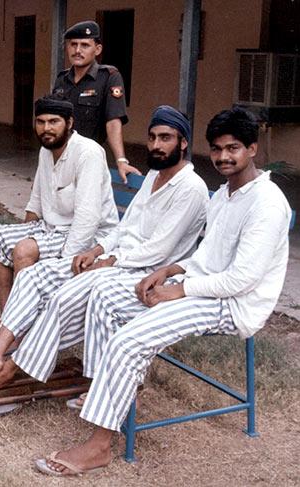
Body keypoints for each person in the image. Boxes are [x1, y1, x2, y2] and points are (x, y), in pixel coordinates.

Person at [35, 107, 291, 476]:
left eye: (233, 148)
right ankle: (112, 389)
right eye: (217, 149)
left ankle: (99, 446)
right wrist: (168, 270)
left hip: (232, 304)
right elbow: (207, 256)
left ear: (253, 149)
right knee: (105, 296)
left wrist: (179, 290)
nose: (223, 157)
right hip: (201, 286)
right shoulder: (225, 194)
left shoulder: (266, 203)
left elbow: (240, 281)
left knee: (129, 340)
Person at [0, 106, 209, 393]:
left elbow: (159, 250)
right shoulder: (154, 177)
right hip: (118, 258)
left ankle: (9, 369)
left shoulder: (191, 187)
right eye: (153, 138)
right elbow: (123, 229)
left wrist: (110, 259)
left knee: (63, 296)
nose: (157, 145)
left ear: (183, 143)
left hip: (149, 272)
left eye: (166, 138)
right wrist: (96, 251)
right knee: (36, 276)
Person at [0, 94, 119, 339]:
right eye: (40, 122)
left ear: (69, 123)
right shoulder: (46, 150)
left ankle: (19, 329)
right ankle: (9, 318)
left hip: (87, 236)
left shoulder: (88, 153)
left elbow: (88, 218)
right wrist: (25, 232)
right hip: (50, 228)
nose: (46, 128)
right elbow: (37, 200)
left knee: (24, 250)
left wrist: (67, 261)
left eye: (54, 121)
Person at [53, 20, 141, 183]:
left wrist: (121, 161)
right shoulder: (61, 80)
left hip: (88, 161)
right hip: (60, 159)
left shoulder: (109, 77)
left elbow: (113, 121)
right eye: (73, 44)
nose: (77, 50)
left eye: (85, 45)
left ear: (97, 49)